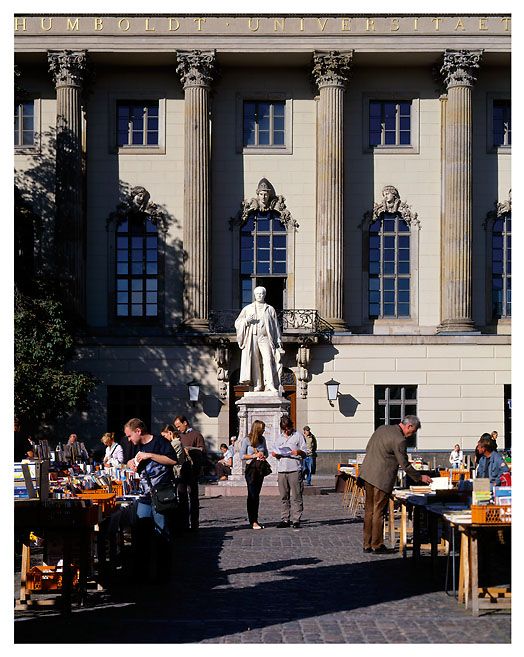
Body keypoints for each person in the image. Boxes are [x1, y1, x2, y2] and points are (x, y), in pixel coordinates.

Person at [359, 415, 432, 554]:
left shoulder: (382, 429)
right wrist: (420, 477)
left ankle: (366, 544)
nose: (412, 434)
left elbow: (368, 447)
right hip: (381, 478)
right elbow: (404, 464)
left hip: (367, 473)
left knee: (369, 510)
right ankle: (377, 544)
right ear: (408, 426)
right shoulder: (399, 440)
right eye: (413, 431)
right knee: (379, 511)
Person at [125, 417, 178, 579]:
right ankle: (140, 572)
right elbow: (130, 461)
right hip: (144, 496)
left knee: (162, 534)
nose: (128, 439)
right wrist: (129, 464)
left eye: (129, 436)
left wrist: (150, 455)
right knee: (140, 532)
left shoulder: (160, 442)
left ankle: (163, 574)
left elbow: (172, 460)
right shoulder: (135, 446)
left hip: (161, 495)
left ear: (138, 431)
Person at [234, 286, 285, 393]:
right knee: (255, 361)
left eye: (261, 294)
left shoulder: (270, 309)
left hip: (266, 337)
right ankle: (258, 385)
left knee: (268, 359)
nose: (259, 296)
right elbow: (237, 323)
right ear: (254, 295)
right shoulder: (248, 308)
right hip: (252, 337)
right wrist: (246, 321)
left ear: (264, 295)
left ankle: (269, 384)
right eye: (257, 294)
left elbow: (276, 326)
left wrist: (279, 339)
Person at [272, 415, 307, 529]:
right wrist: (275, 454)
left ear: (292, 426)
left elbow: (306, 453)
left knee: (297, 496)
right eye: (284, 429)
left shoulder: (298, 436)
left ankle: (296, 519)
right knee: (284, 496)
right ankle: (285, 519)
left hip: (294, 469)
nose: (286, 431)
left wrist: (299, 452)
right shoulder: (279, 438)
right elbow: (277, 453)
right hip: (282, 470)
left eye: (288, 428)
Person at [174, 415, 205, 530]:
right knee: (182, 498)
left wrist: (189, 450)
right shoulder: (179, 437)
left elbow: (202, 451)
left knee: (193, 499)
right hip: (181, 472)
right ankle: (184, 524)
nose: (178, 429)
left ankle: (194, 524)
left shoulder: (196, 435)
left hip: (192, 472)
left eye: (179, 426)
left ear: (185, 423)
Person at [161, 423, 190, 531]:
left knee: (181, 497)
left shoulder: (175, 443)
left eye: (165, 436)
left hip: (178, 472)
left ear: (169, 433)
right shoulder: (175, 442)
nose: (165, 439)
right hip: (177, 472)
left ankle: (182, 524)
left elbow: (171, 458)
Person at [240, 421, 269, 529]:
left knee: (256, 494)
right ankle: (253, 520)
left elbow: (266, 452)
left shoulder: (262, 440)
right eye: (262, 428)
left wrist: (263, 456)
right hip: (251, 469)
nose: (264, 430)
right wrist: (254, 455)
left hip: (260, 469)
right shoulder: (247, 440)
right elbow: (242, 456)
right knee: (252, 494)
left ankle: (255, 518)